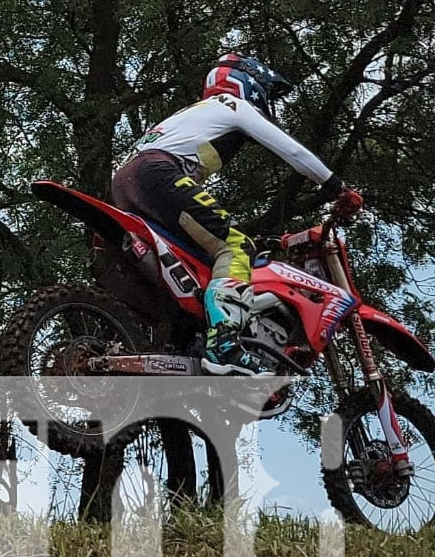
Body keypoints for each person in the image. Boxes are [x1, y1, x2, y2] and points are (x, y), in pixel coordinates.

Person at [110, 53, 362, 375]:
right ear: (249, 82)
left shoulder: (190, 115)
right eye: (267, 93)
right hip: (157, 174)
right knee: (235, 247)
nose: (267, 102)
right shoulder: (232, 106)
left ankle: (181, 347)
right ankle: (225, 344)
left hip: (125, 183)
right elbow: (293, 150)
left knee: (200, 261)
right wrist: (337, 187)